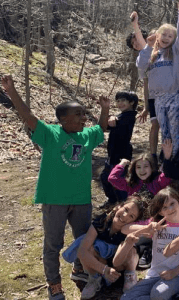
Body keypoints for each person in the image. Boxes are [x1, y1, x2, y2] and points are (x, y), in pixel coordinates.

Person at [1, 75, 109, 300]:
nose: (83, 118)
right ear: (63, 119)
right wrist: (11, 92)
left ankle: (79, 270)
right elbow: (29, 117)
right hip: (54, 199)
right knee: (53, 243)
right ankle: (54, 284)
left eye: (83, 113)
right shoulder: (51, 134)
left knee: (83, 238)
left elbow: (100, 127)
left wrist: (105, 108)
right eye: (78, 114)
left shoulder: (87, 135)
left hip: (81, 199)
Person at [132, 0, 179, 156]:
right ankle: (167, 158)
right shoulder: (151, 54)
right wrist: (148, 47)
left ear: (173, 39)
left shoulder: (176, 52)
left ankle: (176, 158)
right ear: (157, 36)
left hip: (173, 96)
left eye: (170, 36)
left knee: (174, 128)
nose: (166, 37)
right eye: (163, 34)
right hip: (157, 99)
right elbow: (141, 66)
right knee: (164, 130)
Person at [62, 196, 145, 299]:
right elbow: (82, 252)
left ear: (134, 221)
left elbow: (117, 262)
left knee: (132, 250)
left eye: (131, 216)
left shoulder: (129, 230)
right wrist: (104, 269)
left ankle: (130, 277)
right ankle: (94, 279)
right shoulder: (102, 220)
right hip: (101, 268)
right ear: (119, 206)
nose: (125, 216)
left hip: (119, 269)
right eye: (126, 209)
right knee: (88, 247)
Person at [121, 186, 179, 300]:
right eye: (164, 207)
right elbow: (124, 229)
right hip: (154, 274)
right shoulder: (156, 225)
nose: (170, 209)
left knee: (157, 294)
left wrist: (174, 272)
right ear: (160, 211)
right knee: (125, 298)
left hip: (177, 275)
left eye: (172, 204)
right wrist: (147, 228)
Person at [127, 27, 160, 165]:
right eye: (133, 45)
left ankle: (169, 152)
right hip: (153, 95)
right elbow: (145, 83)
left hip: (169, 92)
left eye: (137, 41)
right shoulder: (140, 61)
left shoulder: (161, 48)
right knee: (154, 124)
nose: (136, 44)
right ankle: (153, 154)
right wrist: (146, 106)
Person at [100, 91, 138, 207]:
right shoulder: (121, 115)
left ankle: (124, 203)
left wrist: (112, 118)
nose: (119, 103)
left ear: (131, 102)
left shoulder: (130, 116)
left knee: (118, 180)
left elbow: (110, 124)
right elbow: (107, 126)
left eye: (123, 100)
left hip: (121, 154)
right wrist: (111, 117)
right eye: (117, 101)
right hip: (113, 153)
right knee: (105, 177)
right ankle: (112, 200)